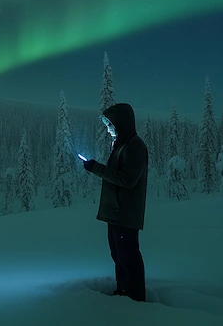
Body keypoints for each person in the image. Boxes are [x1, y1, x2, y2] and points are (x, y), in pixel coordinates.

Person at [82, 102, 148, 302]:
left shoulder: (135, 146)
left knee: (129, 257)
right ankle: (123, 292)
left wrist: (97, 168)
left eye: (111, 124)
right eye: (107, 124)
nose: (108, 128)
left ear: (122, 124)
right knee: (118, 256)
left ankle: (136, 298)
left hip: (125, 214)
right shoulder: (122, 145)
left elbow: (128, 179)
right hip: (116, 213)